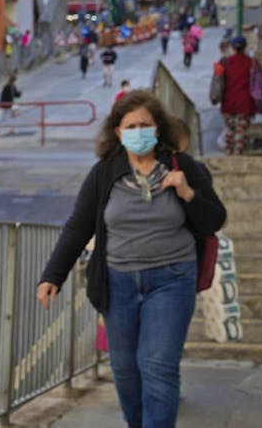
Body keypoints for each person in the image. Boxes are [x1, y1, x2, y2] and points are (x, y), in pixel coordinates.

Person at [36, 91, 226, 428]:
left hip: (171, 279)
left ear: (158, 130)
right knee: (125, 370)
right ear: (118, 133)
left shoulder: (184, 168)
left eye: (145, 125)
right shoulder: (104, 173)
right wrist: (53, 275)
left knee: (157, 365)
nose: (139, 131)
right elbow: (78, 227)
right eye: (131, 126)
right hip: (118, 283)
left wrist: (188, 194)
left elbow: (215, 220)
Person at [219, 36, 256, 155]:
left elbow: (218, 82)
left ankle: (228, 153)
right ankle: (238, 154)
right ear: (245, 48)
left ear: (232, 48)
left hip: (228, 103)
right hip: (246, 103)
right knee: (241, 129)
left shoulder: (225, 62)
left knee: (230, 129)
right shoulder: (251, 62)